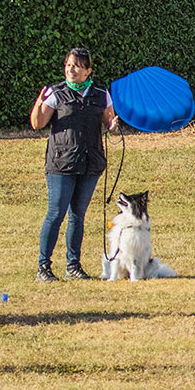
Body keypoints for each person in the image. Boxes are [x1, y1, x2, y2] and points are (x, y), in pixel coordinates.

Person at [30, 47, 118, 282]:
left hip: (90, 161)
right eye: (69, 64)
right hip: (61, 162)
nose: (71, 69)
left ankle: (73, 266)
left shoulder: (101, 94)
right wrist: (39, 105)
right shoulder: (55, 93)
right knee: (56, 213)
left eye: (77, 65)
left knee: (78, 215)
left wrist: (112, 126)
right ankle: (43, 267)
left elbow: (109, 120)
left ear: (88, 71)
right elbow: (37, 124)